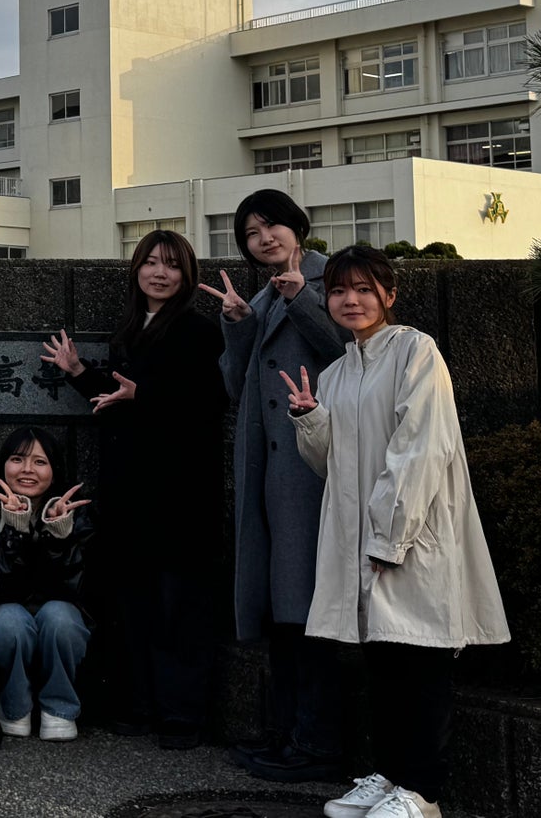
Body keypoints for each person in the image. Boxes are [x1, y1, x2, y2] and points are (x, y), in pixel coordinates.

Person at [285, 246, 508, 818]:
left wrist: (390, 536)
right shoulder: (336, 373)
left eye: (364, 288)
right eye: (339, 290)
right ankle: (390, 775)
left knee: (422, 659)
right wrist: (311, 418)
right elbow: (330, 467)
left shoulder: (415, 351)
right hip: (363, 540)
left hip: (411, 534)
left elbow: (421, 449)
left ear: (389, 294)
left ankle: (423, 793)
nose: (351, 300)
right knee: (383, 660)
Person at [42, 228, 228, 747]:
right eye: (150, 262)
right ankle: (141, 704)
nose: (160, 273)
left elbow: (207, 404)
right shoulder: (129, 328)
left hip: (181, 495)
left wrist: (142, 394)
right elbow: (118, 399)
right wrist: (78, 371)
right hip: (130, 493)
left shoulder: (198, 331)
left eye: (172, 264)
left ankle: (181, 716)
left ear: (187, 275)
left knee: (178, 606)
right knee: (135, 602)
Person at [204, 189, 350, 781]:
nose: (264, 239)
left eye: (272, 226)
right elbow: (235, 385)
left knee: (312, 608)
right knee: (286, 611)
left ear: (297, 227)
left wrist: (302, 300)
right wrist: (237, 324)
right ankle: (289, 732)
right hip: (269, 475)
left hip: (313, 471)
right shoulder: (262, 295)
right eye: (251, 232)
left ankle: (318, 744)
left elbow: (348, 353)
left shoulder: (331, 280)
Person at [0, 424, 92, 743]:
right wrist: (13, 532)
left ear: (54, 471)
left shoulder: (76, 512)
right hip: (0, 615)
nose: (27, 469)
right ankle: (14, 707)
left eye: (40, 462)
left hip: (60, 618)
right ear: (2, 465)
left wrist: (60, 538)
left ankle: (60, 708)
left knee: (59, 617)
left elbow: (82, 591)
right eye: (17, 459)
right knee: (10, 621)